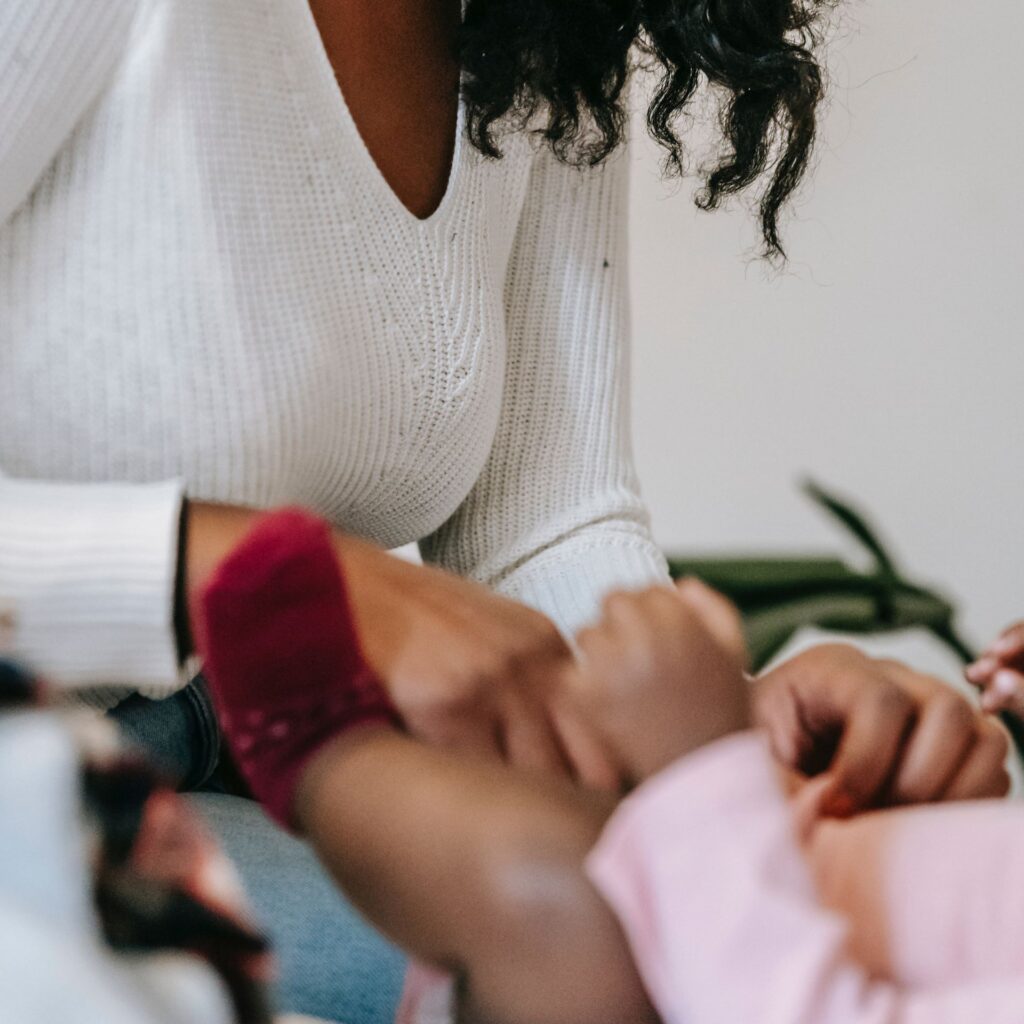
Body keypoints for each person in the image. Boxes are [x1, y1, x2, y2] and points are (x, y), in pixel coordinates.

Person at [0, 1, 1008, 1017]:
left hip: (277, 735)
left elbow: (544, 519)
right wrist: (241, 570)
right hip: (33, 752)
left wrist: (714, 739)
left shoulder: (546, 26)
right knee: (615, 951)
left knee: (686, 940)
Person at [194, 508, 1017, 1024]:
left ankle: (324, 756)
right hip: (730, 887)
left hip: (619, 985)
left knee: (558, 891)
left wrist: (701, 763)